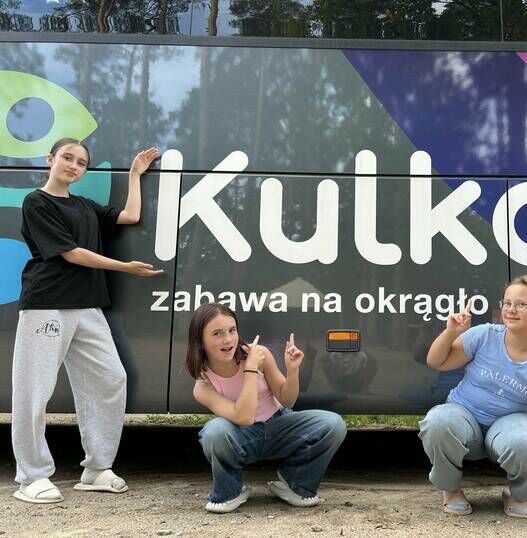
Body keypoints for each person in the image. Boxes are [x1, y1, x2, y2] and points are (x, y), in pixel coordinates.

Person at [12, 138, 162, 504]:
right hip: (47, 304)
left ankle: (96, 468)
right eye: (67, 157)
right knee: (34, 390)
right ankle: (31, 476)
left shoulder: (84, 206)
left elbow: (130, 216)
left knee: (111, 378)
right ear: (50, 159)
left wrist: (135, 174)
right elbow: (71, 253)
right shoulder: (36, 202)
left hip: (88, 306)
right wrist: (124, 267)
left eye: (81, 162)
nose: (74, 165)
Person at [419, 276, 527, 519]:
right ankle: (451, 489)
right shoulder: (484, 335)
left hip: (509, 430)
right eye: (507, 303)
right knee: (437, 421)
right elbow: (437, 362)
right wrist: (451, 332)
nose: (511, 309)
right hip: (465, 419)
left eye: (521, 304)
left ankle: (518, 494)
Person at [185, 303, 347, 514]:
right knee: (214, 431)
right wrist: (251, 369)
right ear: (200, 340)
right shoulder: (203, 385)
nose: (228, 340)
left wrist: (292, 370)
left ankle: (295, 484)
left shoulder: (259, 354)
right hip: (242, 436)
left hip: (279, 424)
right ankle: (230, 492)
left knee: (333, 424)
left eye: (232, 330)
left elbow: (287, 400)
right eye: (217, 333)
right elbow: (243, 417)